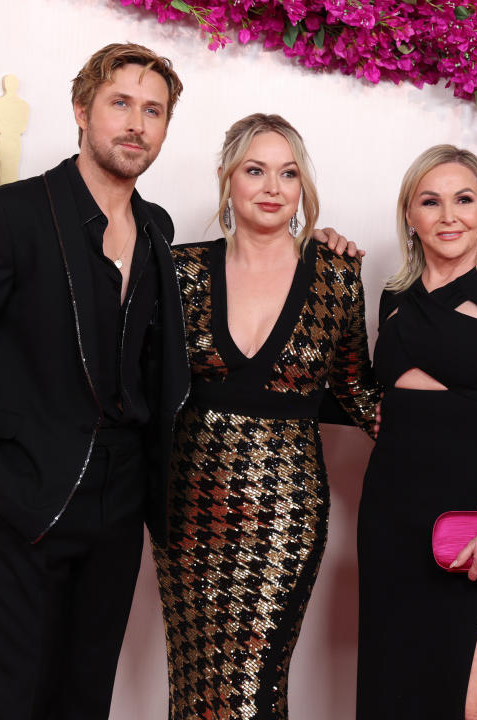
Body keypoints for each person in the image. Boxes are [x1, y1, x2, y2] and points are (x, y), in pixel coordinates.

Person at [0, 43, 190, 719]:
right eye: (120, 103)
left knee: (83, 702)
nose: (136, 124)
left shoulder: (157, 229)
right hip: (23, 494)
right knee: (9, 702)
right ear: (81, 110)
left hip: (120, 505)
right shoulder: (8, 215)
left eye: (153, 111)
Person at [152, 113, 380, 720]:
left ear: (303, 187)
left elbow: (357, 388)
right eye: (255, 170)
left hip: (285, 506)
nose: (272, 187)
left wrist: (458, 451)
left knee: (252, 687)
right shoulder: (178, 270)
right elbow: (141, 383)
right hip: (188, 506)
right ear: (228, 180)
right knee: (196, 688)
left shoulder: (336, 275)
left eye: (288, 173)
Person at [356, 145, 477, 720]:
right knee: (394, 696)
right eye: (431, 201)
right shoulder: (394, 296)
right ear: (410, 216)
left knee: (473, 698)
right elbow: (376, 397)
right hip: (392, 523)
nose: (449, 216)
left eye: (464, 199)